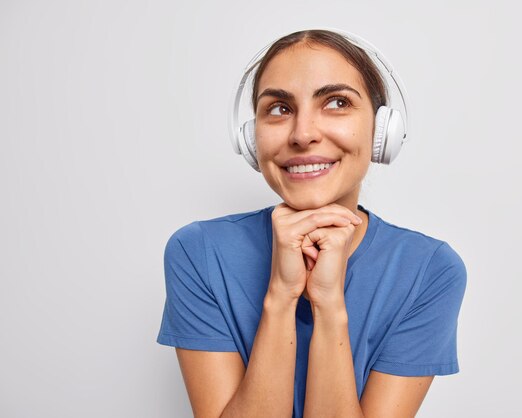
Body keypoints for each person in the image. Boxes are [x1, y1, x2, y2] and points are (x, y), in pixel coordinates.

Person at [157, 29, 467, 418]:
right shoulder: (198, 252)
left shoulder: (429, 270)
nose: (303, 134)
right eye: (279, 109)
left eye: (336, 102)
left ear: (381, 132)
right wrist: (281, 296)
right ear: (252, 141)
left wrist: (329, 304)